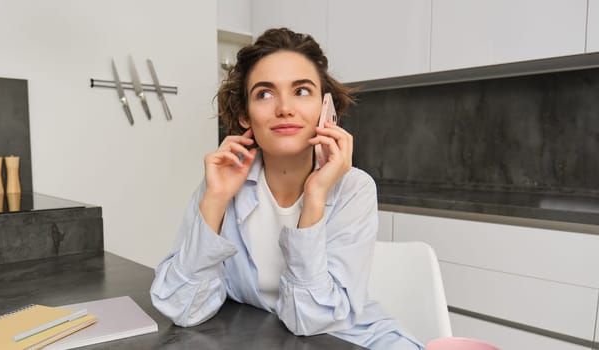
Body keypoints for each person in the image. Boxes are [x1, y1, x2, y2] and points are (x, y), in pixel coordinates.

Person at [150, 28, 423, 350]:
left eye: (302, 91)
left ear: (326, 109)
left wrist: (316, 196)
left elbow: (311, 319)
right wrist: (215, 200)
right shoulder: (223, 184)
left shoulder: (353, 188)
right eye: (264, 94)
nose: (284, 108)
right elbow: (181, 307)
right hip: (267, 338)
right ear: (244, 114)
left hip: (353, 341)